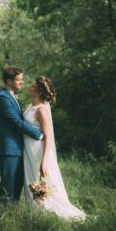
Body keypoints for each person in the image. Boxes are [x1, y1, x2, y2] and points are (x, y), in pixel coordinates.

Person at [22, 76, 86, 221]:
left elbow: (48, 137)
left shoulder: (42, 110)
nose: (29, 87)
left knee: (44, 182)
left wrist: (44, 161)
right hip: (29, 150)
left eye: (32, 86)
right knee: (31, 180)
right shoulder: (29, 107)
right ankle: (35, 214)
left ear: (38, 91)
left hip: (38, 151)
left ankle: (53, 214)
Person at [0, 67, 43, 203]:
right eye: (19, 80)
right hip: (9, 149)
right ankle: (4, 217)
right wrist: (38, 135)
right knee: (8, 188)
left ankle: (12, 214)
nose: (22, 82)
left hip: (18, 148)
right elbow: (16, 121)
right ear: (9, 81)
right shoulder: (2, 98)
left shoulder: (13, 96)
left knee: (17, 187)